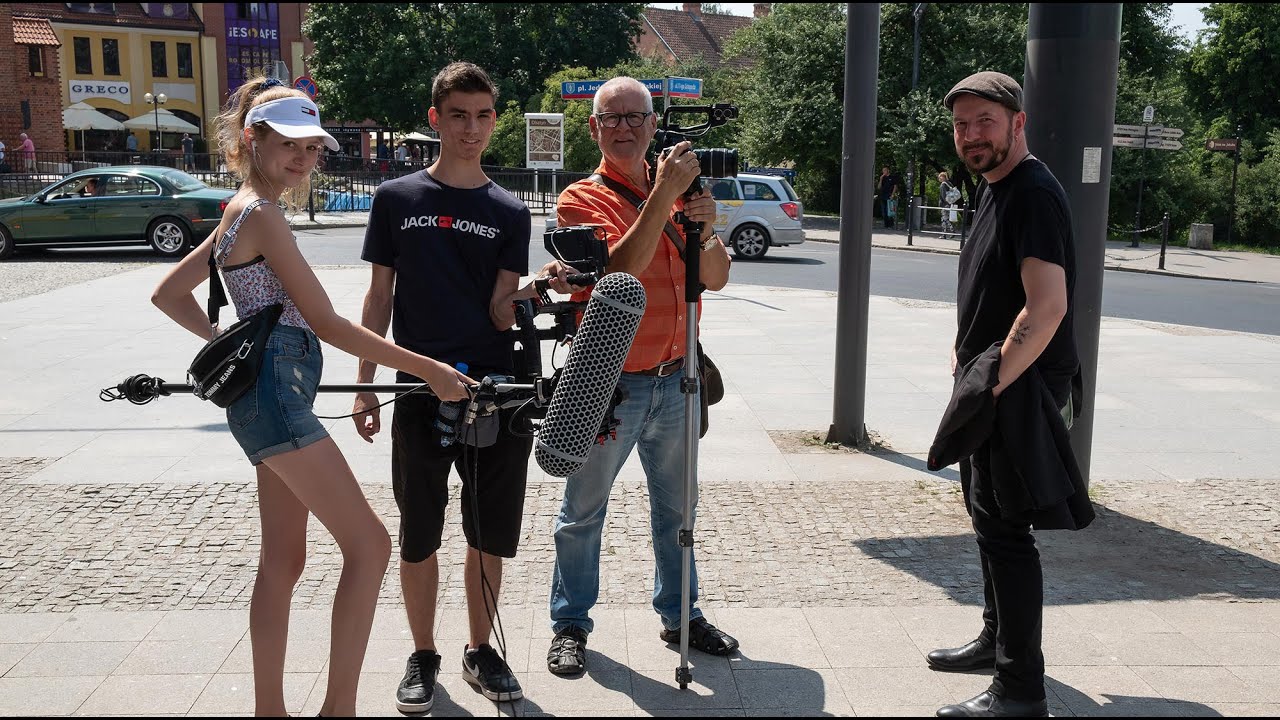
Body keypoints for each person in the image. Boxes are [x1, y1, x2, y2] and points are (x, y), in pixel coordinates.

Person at [149, 76, 473, 718]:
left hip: (265, 392)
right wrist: (427, 369)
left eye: (314, 147)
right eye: (290, 144)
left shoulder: (238, 210)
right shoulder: (262, 214)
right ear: (252, 139)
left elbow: (168, 294)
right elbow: (326, 322)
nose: (303, 158)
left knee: (284, 559)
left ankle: (273, 710)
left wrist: (229, 340)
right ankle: (338, 711)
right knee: (370, 545)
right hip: (276, 394)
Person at [541, 76, 738, 677]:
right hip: (609, 383)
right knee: (582, 511)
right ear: (595, 128)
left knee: (679, 511)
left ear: (652, 125)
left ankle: (682, 614)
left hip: (679, 378)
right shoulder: (582, 196)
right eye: (610, 118)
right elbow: (617, 266)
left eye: (634, 117)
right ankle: (570, 623)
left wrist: (703, 222)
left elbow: (718, 276)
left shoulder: (683, 190)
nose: (623, 127)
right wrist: (667, 197)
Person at [353, 61, 534, 712]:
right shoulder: (397, 200)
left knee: (487, 534)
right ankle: (423, 653)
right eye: (459, 115)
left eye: (484, 115)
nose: (472, 128)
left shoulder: (510, 211)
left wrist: (537, 291)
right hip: (418, 389)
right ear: (436, 118)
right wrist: (364, 386)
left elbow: (500, 308)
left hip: (493, 393)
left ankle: (480, 650)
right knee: (420, 531)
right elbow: (378, 299)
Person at [929, 71, 1091, 718]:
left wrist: (986, 386)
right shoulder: (993, 188)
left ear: (1017, 123)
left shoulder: (1031, 194)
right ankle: (996, 641)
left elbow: (1046, 307)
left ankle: (1020, 690)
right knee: (985, 518)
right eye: (963, 125)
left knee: (1006, 533)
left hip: (1015, 390)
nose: (972, 135)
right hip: (991, 382)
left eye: (985, 122)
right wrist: (963, 352)